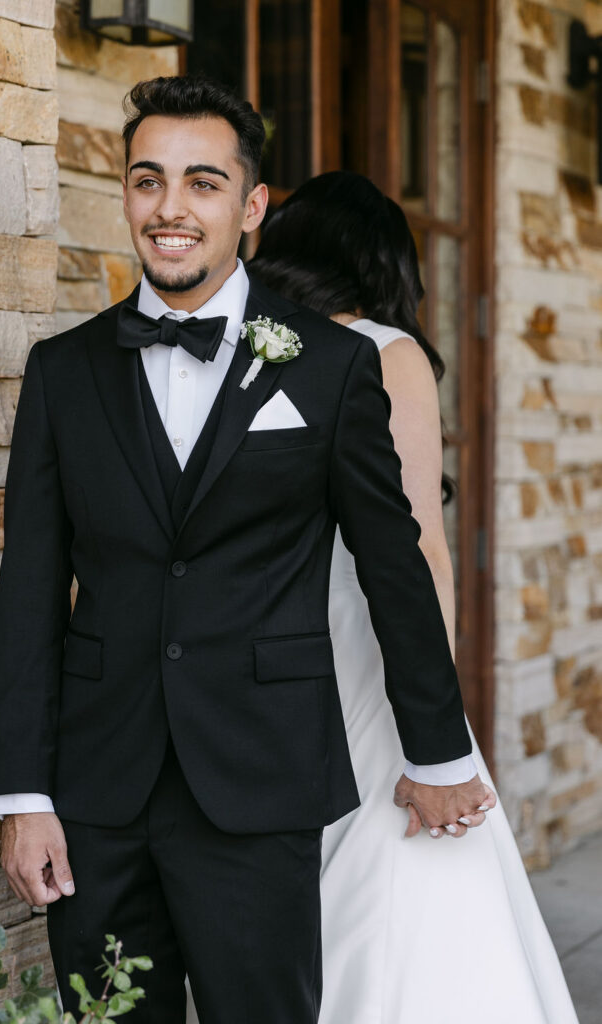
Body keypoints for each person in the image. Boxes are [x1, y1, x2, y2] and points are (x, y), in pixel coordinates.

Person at [0, 79, 494, 1024]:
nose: (170, 208)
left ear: (251, 207)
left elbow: (394, 566)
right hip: (96, 793)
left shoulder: (333, 366)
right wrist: (23, 794)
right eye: (148, 180)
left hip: (260, 783)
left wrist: (436, 753)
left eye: (202, 183)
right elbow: (28, 586)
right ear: (125, 195)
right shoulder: (63, 372)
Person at [239, 170, 580, 1023]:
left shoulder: (237, 346)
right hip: (364, 647)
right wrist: (438, 723)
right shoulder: (385, 352)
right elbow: (419, 544)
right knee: (401, 870)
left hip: (250, 657)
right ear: (387, 266)